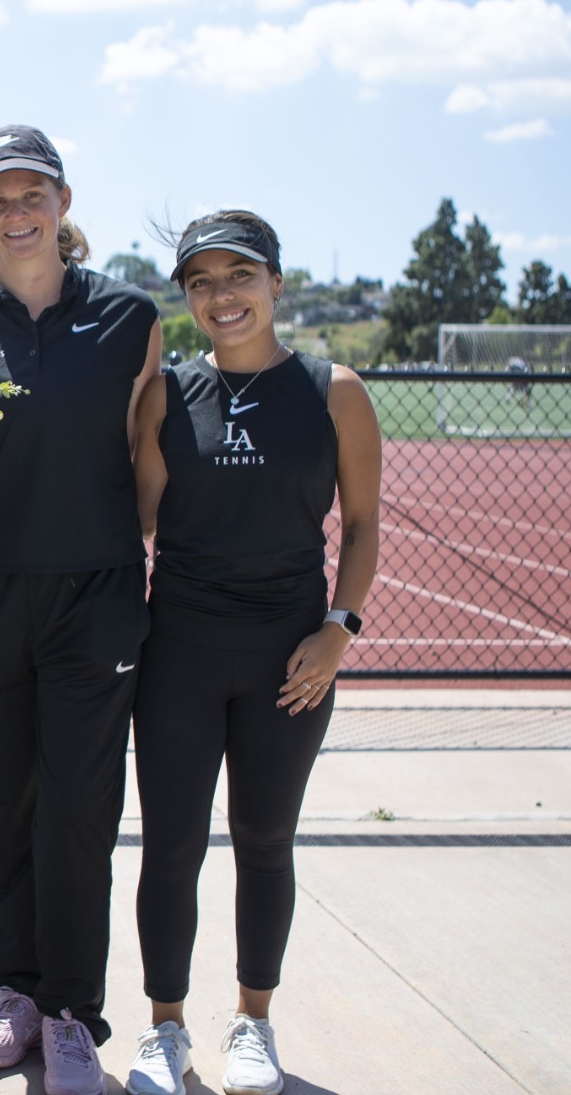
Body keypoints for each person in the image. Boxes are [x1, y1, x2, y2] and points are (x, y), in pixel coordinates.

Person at [0, 125, 161, 1095]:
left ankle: (69, 1013)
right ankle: (14, 991)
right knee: (3, 810)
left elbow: (145, 458)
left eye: (32, 195)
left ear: (61, 202)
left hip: (91, 598)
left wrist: (123, 554)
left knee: (76, 810)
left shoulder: (128, 316)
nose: (15, 213)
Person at [123, 212, 380, 1095]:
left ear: (276, 282)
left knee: (265, 838)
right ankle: (165, 1030)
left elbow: (365, 523)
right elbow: (142, 521)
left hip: (289, 660)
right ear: (187, 297)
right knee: (172, 843)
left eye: (240, 276)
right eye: (201, 282)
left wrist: (337, 631)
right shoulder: (167, 393)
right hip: (181, 652)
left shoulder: (332, 389)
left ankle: (253, 1022)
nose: (221, 296)